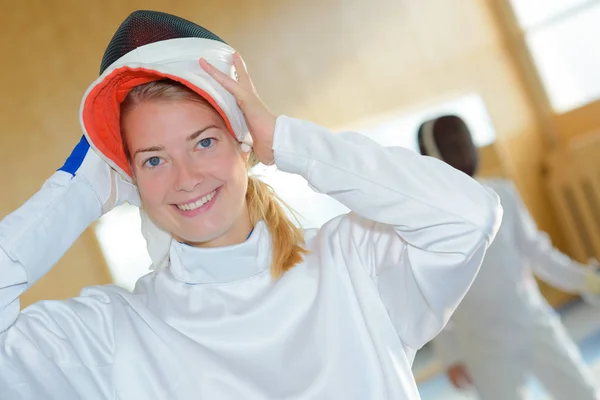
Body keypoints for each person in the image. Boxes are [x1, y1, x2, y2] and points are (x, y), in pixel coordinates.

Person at [0, 11, 502, 399]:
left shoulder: (357, 263)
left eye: (203, 142)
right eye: (153, 160)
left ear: (244, 140)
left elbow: (468, 216)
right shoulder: (108, 334)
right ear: (126, 178)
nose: (186, 179)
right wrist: (73, 195)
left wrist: (287, 140)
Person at [418, 115, 600, 400]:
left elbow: (539, 253)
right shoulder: (427, 220)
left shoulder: (501, 193)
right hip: (482, 344)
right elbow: (432, 293)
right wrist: (450, 355)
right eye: (452, 145)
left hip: (531, 320)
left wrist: (588, 280)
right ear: (432, 156)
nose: (463, 150)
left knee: (582, 392)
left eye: (464, 141)